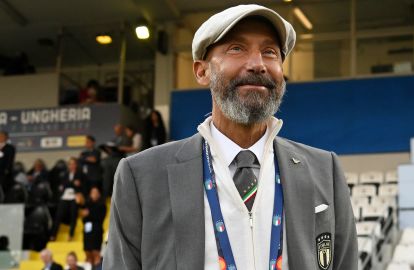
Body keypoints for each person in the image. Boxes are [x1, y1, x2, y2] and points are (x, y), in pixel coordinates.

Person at [104, 4, 357, 270]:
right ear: (202, 71)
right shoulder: (141, 176)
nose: (257, 64)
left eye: (269, 52)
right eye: (236, 48)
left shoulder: (324, 170)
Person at [50, 157, 85, 241]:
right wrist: (73, 183)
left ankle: (71, 235)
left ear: (76, 165)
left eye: (73, 164)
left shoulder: (80, 174)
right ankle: (53, 235)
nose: (71, 166)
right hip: (65, 196)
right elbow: (63, 185)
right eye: (70, 164)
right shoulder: (65, 174)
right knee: (58, 216)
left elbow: (81, 185)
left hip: (75, 196)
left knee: (73, 216)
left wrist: (74, 185)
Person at [79, 186, 106, 268]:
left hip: (96, 231)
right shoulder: (87, 204)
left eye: (95, 192)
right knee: (88, 254)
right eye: (92, 193)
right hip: (87, 232)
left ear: (99, 195)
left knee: (95, 253)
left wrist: (89, 214)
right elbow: (83, 218)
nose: (93, 194)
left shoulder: (102, 205)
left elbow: (100, 218)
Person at [0, 131, 16, 195]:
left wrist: (6, 170)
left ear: (6, 138)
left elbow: (9, 160)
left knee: (5, 190)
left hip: (5, 175)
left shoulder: (10, 148)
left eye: (1, 136)